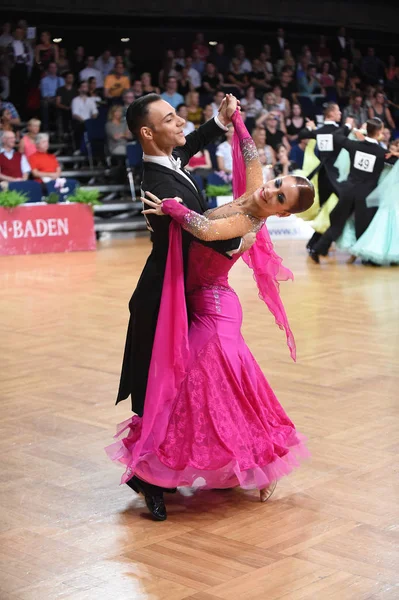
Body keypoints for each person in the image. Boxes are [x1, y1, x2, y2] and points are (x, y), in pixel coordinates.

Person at [107, 108, 314, 520]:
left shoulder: (248, 222)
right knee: (212, 389)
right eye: (275, 183)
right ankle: (230, 460)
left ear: (282, 213)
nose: (268, 191)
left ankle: (167, 467)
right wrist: (235, 124)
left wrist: (173, 208)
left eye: (278, 197)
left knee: (191, 386)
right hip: (203, 303)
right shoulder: (253, 193)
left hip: (215, 313)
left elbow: (204, 229)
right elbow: (252, 159)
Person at [114, 94, 245, 518]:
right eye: (171, 119)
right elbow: (201, 233)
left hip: (180, 290)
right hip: (161, 297)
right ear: (148, 133)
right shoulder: (161, 185)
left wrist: (218, 121)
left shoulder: (166, 161)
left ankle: (177, 462)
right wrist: (247, 230)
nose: (180, 123)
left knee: (181, 382)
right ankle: (147, 476)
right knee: (157, 385)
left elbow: (187, 146)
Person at [309, 118, 398, 263]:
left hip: (348, 191)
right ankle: (367, 259)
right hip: (366, 196)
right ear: (380, 132)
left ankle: (318, 249)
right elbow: (395, 164)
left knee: (337, 223)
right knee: (364, 226)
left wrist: (350, 127)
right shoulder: (382, 153)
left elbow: (336, 136)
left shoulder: (354, 145)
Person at [298, 102, 352, 251]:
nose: (340, 114)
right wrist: (348, 126)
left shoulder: (320, 131)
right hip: (336, 178)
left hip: (321, 176)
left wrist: (310, 127)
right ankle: (319, 243)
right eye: (338, 111)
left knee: (326, 210)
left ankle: (316, 243)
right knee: (338, 210)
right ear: (331, 114)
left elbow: (302, 135)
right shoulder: (339, 130)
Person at [71, 81, 98, 149]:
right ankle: (79, 148)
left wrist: (91, 120)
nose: (85, 88)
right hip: (79, 122)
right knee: (79, 126)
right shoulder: (75, 100)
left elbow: (95, 112)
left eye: (86, 86)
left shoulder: (91, 100)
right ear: (79, 89)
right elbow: (75, 114)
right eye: (83, 86)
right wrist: (85, 122)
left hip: (90, 122)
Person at [56, 71, 77, 136]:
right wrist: (66, 107)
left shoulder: (76, 90)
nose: (70, 79)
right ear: (65, 79)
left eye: (71, 77)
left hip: (73, 110)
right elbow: (58, 103)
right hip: (63, 110)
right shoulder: (60, 89)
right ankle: (64, 134)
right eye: (69, 77)